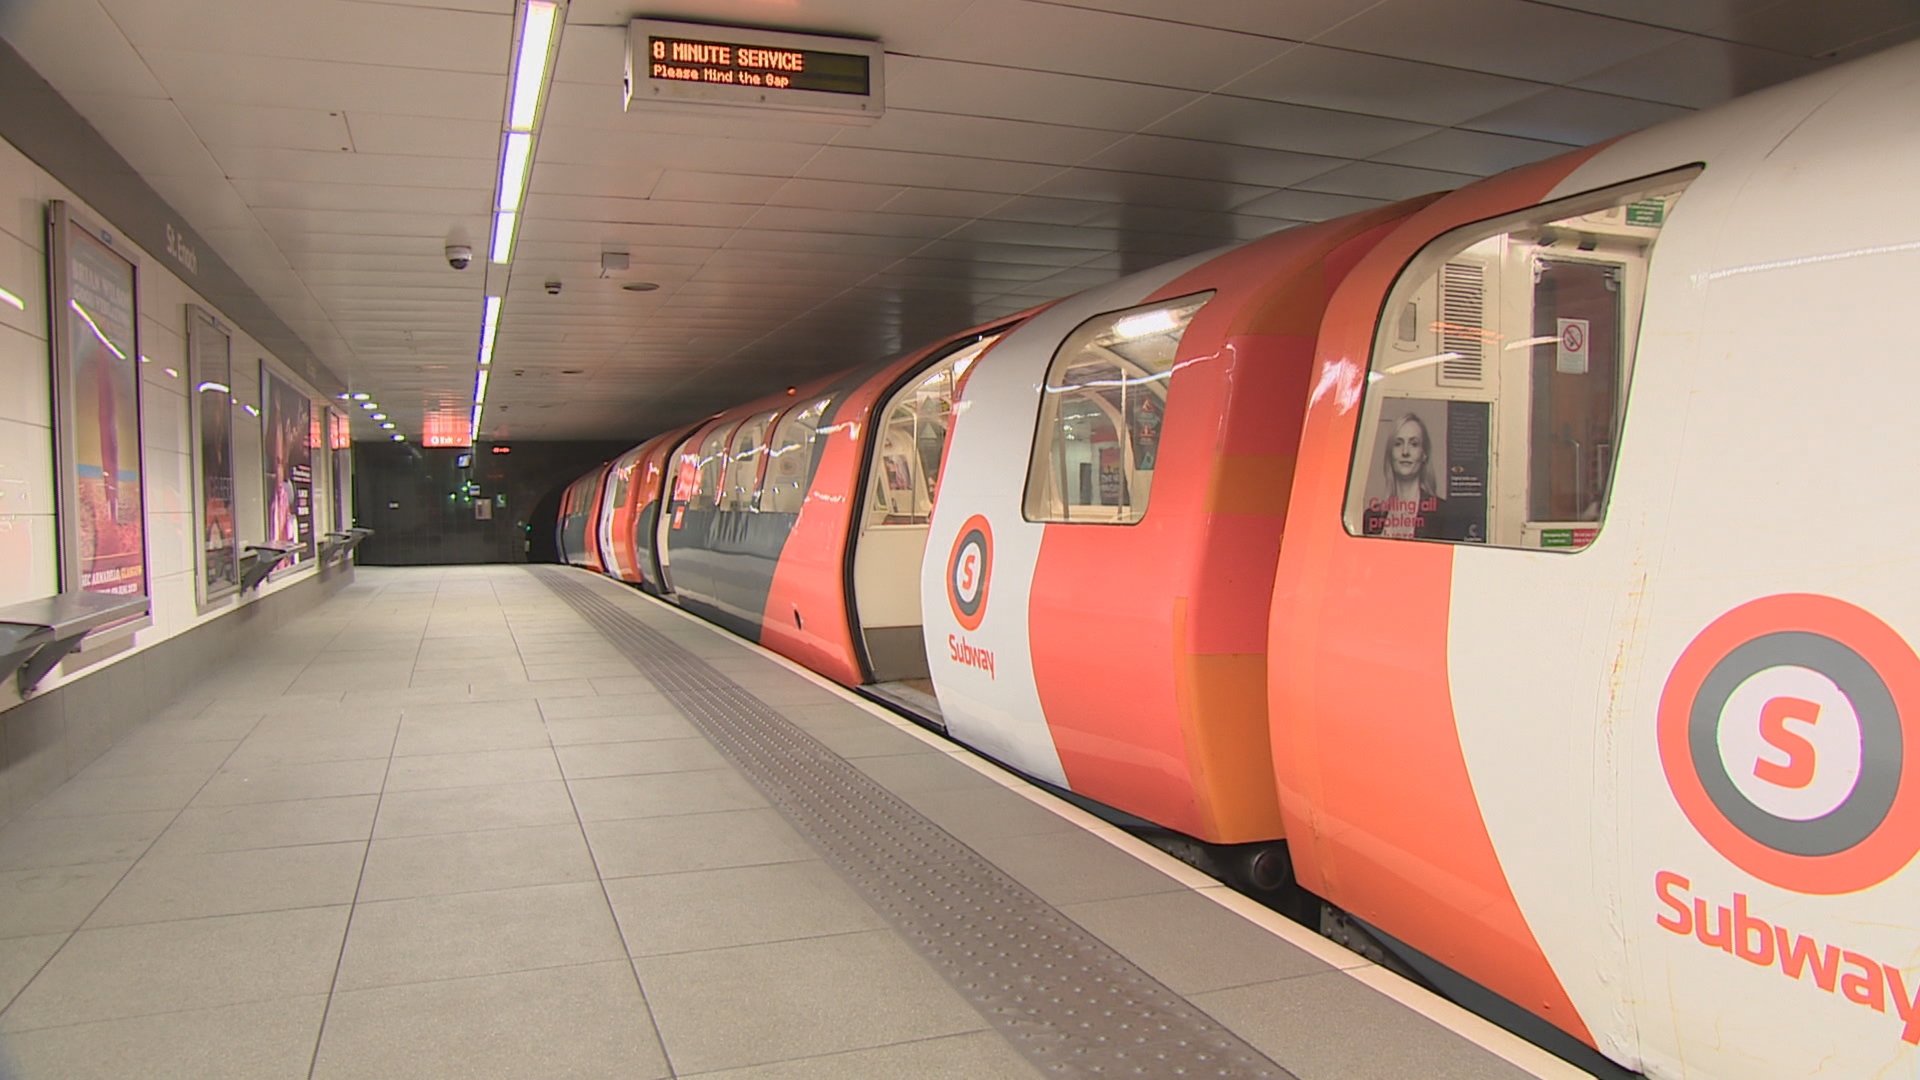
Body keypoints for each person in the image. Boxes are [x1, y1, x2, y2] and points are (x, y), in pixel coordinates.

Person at [1363, 413, 1444, 539]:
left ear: (1424, 454)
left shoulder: (1442, 514)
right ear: (1390, 454)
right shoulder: (1371, 517)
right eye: (1398, 444)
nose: (1405, 452)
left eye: (1414, 444)